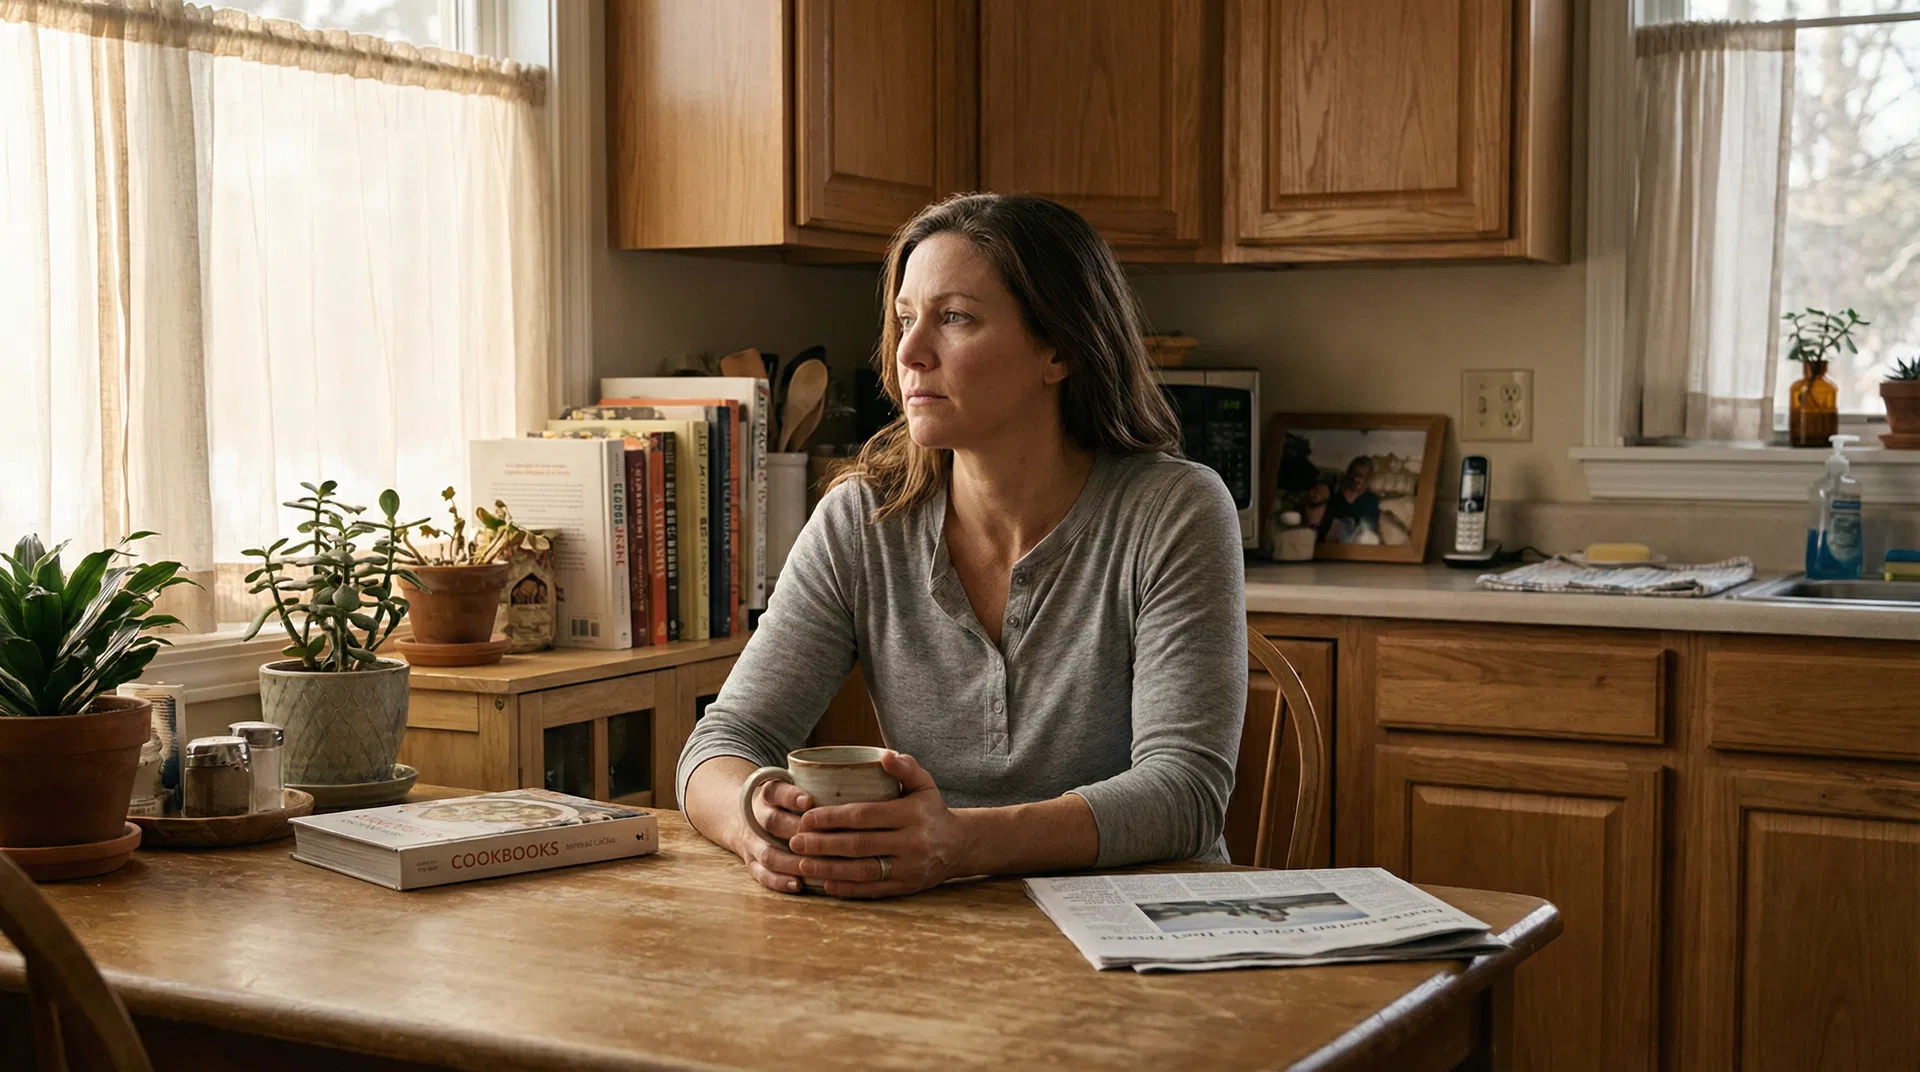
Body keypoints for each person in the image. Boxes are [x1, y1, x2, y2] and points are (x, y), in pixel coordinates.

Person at [676, 193, 1247, 899]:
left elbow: (1184, 793)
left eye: (955, 319)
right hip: (940, 927)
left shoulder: (1173, 512)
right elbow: (723, 740)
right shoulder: (862, 521)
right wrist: (753, 816)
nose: (909, 354)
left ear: (1059, 348)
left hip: (1151, 934)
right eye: (906, 319)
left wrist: (960, 844)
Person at [1321, 457, 1381, 544]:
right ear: (1349, 473)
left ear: (1369, 478)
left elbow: (1371, 527)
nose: (1357, 480)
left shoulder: (1372, 500)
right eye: (1355, 475)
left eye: (1363, 477)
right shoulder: (1334, 494)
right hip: (1331, 544)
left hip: (1358, 545)